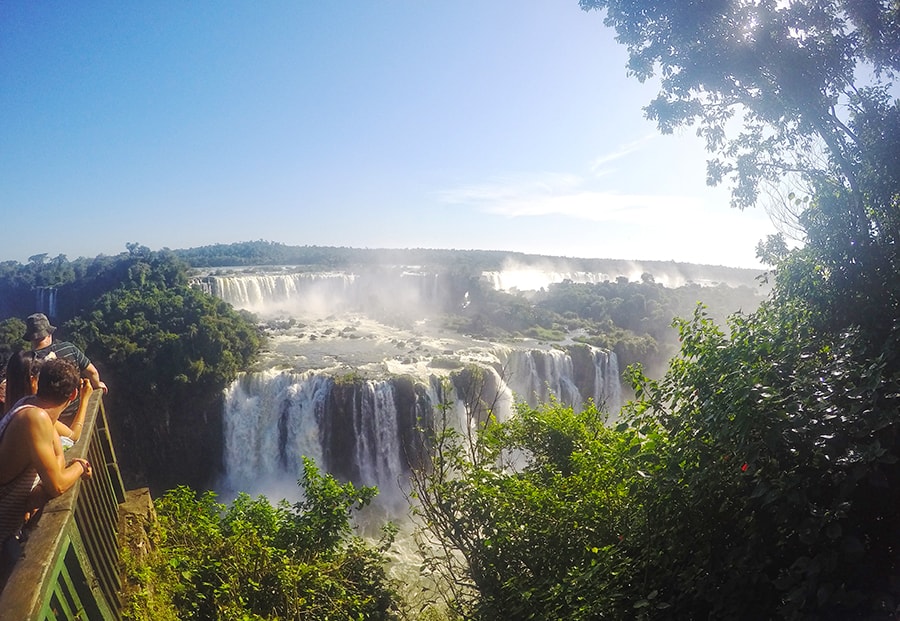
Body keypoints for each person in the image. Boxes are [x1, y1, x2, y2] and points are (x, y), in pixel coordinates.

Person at [0, 357, 93, 549]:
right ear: (74, 394)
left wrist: (40, 491)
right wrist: (80, 466)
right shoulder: (35, 417)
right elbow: (57, 485)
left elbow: (57, 462)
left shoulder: (32, 407)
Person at [24, 313, 106, 424]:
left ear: (30, 338)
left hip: (48, 421)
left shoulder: (27, 362)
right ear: (49, 334)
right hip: (77, 414)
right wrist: (97, 384)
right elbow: (92, 372)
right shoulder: (69, 348)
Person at [3, 350, 93, 448]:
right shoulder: (35, 414)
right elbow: (73, 436)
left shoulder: (14, 407)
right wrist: (85, 398)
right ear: (33, 380)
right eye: (41, 377)